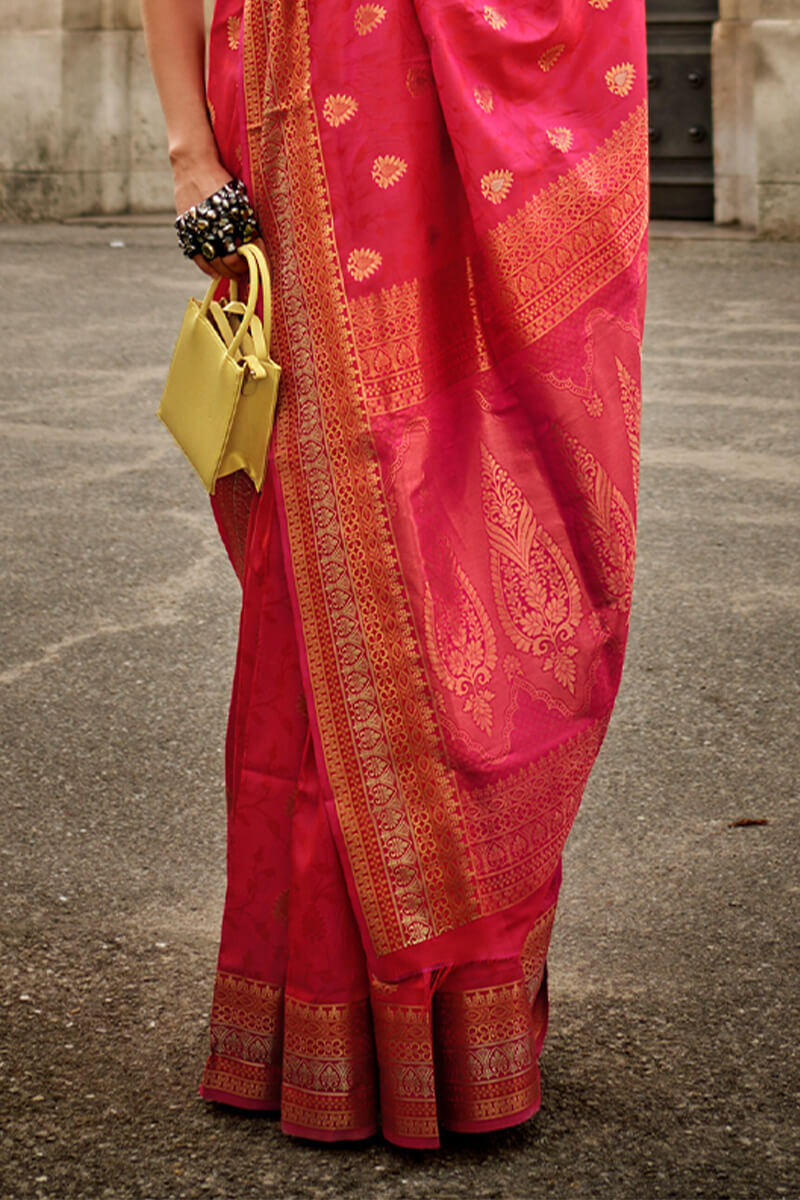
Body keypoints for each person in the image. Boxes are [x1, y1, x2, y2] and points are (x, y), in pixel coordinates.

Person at [142, 0, 648, 1149]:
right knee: (331, 565)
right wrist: (189, 154)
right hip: (307, 127)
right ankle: (322, 1017)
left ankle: (454, 1020)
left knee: (473, 556)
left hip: (465, 137)